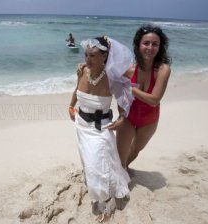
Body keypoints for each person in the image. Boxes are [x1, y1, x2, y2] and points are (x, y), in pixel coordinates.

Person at [69, 36, 133, 222]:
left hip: (101, 127)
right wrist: (71, 107)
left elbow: (122, 102)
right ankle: (96, 185)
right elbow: (75, 91)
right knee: (88, 160)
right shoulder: (82, 71)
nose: (88, 59)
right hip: (81, 124)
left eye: (93, 55)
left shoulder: (113, 77)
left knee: (99, 162)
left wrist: (121, 118)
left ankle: (107, 202)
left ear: (105, 56)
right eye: (86, 54)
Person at [116, 25, 171, 170]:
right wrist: (86, 67)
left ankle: (125, 169)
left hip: (149, 119)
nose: (150, 47)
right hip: (128, 115)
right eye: (146, 43)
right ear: (138, 45)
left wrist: (131, 88)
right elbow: (109, 78)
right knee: (120, 154)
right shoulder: (129, 70)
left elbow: (154, 100)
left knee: (135, 150)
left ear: (160, 48)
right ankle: (120, 175)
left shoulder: (163, 70)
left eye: (155, 44)